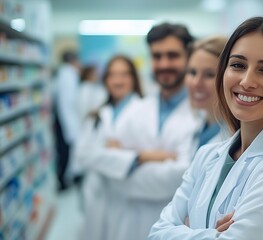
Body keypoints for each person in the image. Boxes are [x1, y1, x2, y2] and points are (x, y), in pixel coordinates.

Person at [149, 17, 263, 240]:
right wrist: (212, 234)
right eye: (238, 65)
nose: (246, 81)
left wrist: (188, 229)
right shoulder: (207, 156)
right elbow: (156, 232)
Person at [75, 22, 201, 240]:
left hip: (175, 224)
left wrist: (125, 166)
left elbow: (180, 176)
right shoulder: (138, 110)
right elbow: (104, 162)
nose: (164, 64)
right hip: (126, 223)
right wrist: (150, 158)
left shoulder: (200, 115)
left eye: (172, 55)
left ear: (189, 57)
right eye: (157, 56)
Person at [74, 55, 144, 239]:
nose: (118, 80)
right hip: (96, 193)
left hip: (129, 195)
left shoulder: (146, 111)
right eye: (112, 75)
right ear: (106, 80)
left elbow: (148, 154)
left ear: (133, 79)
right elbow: (82, 154)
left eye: (124, 75)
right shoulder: (96, 116)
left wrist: (105, 153)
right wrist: (124, 155)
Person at [185, 36, 229, 151]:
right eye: (192, 72)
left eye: (209, 74)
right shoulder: (200, 125)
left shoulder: (235, 136)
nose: (196, 83)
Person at [53, 50, 80, 191]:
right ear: (73, 60)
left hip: (64, 121)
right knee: (64, 152)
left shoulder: (66, 74)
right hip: (65, 122)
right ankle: (62, 182)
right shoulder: (68, 76)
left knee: (65, 152)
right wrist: (71, 129)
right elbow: (66, 104)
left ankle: (64, 179)